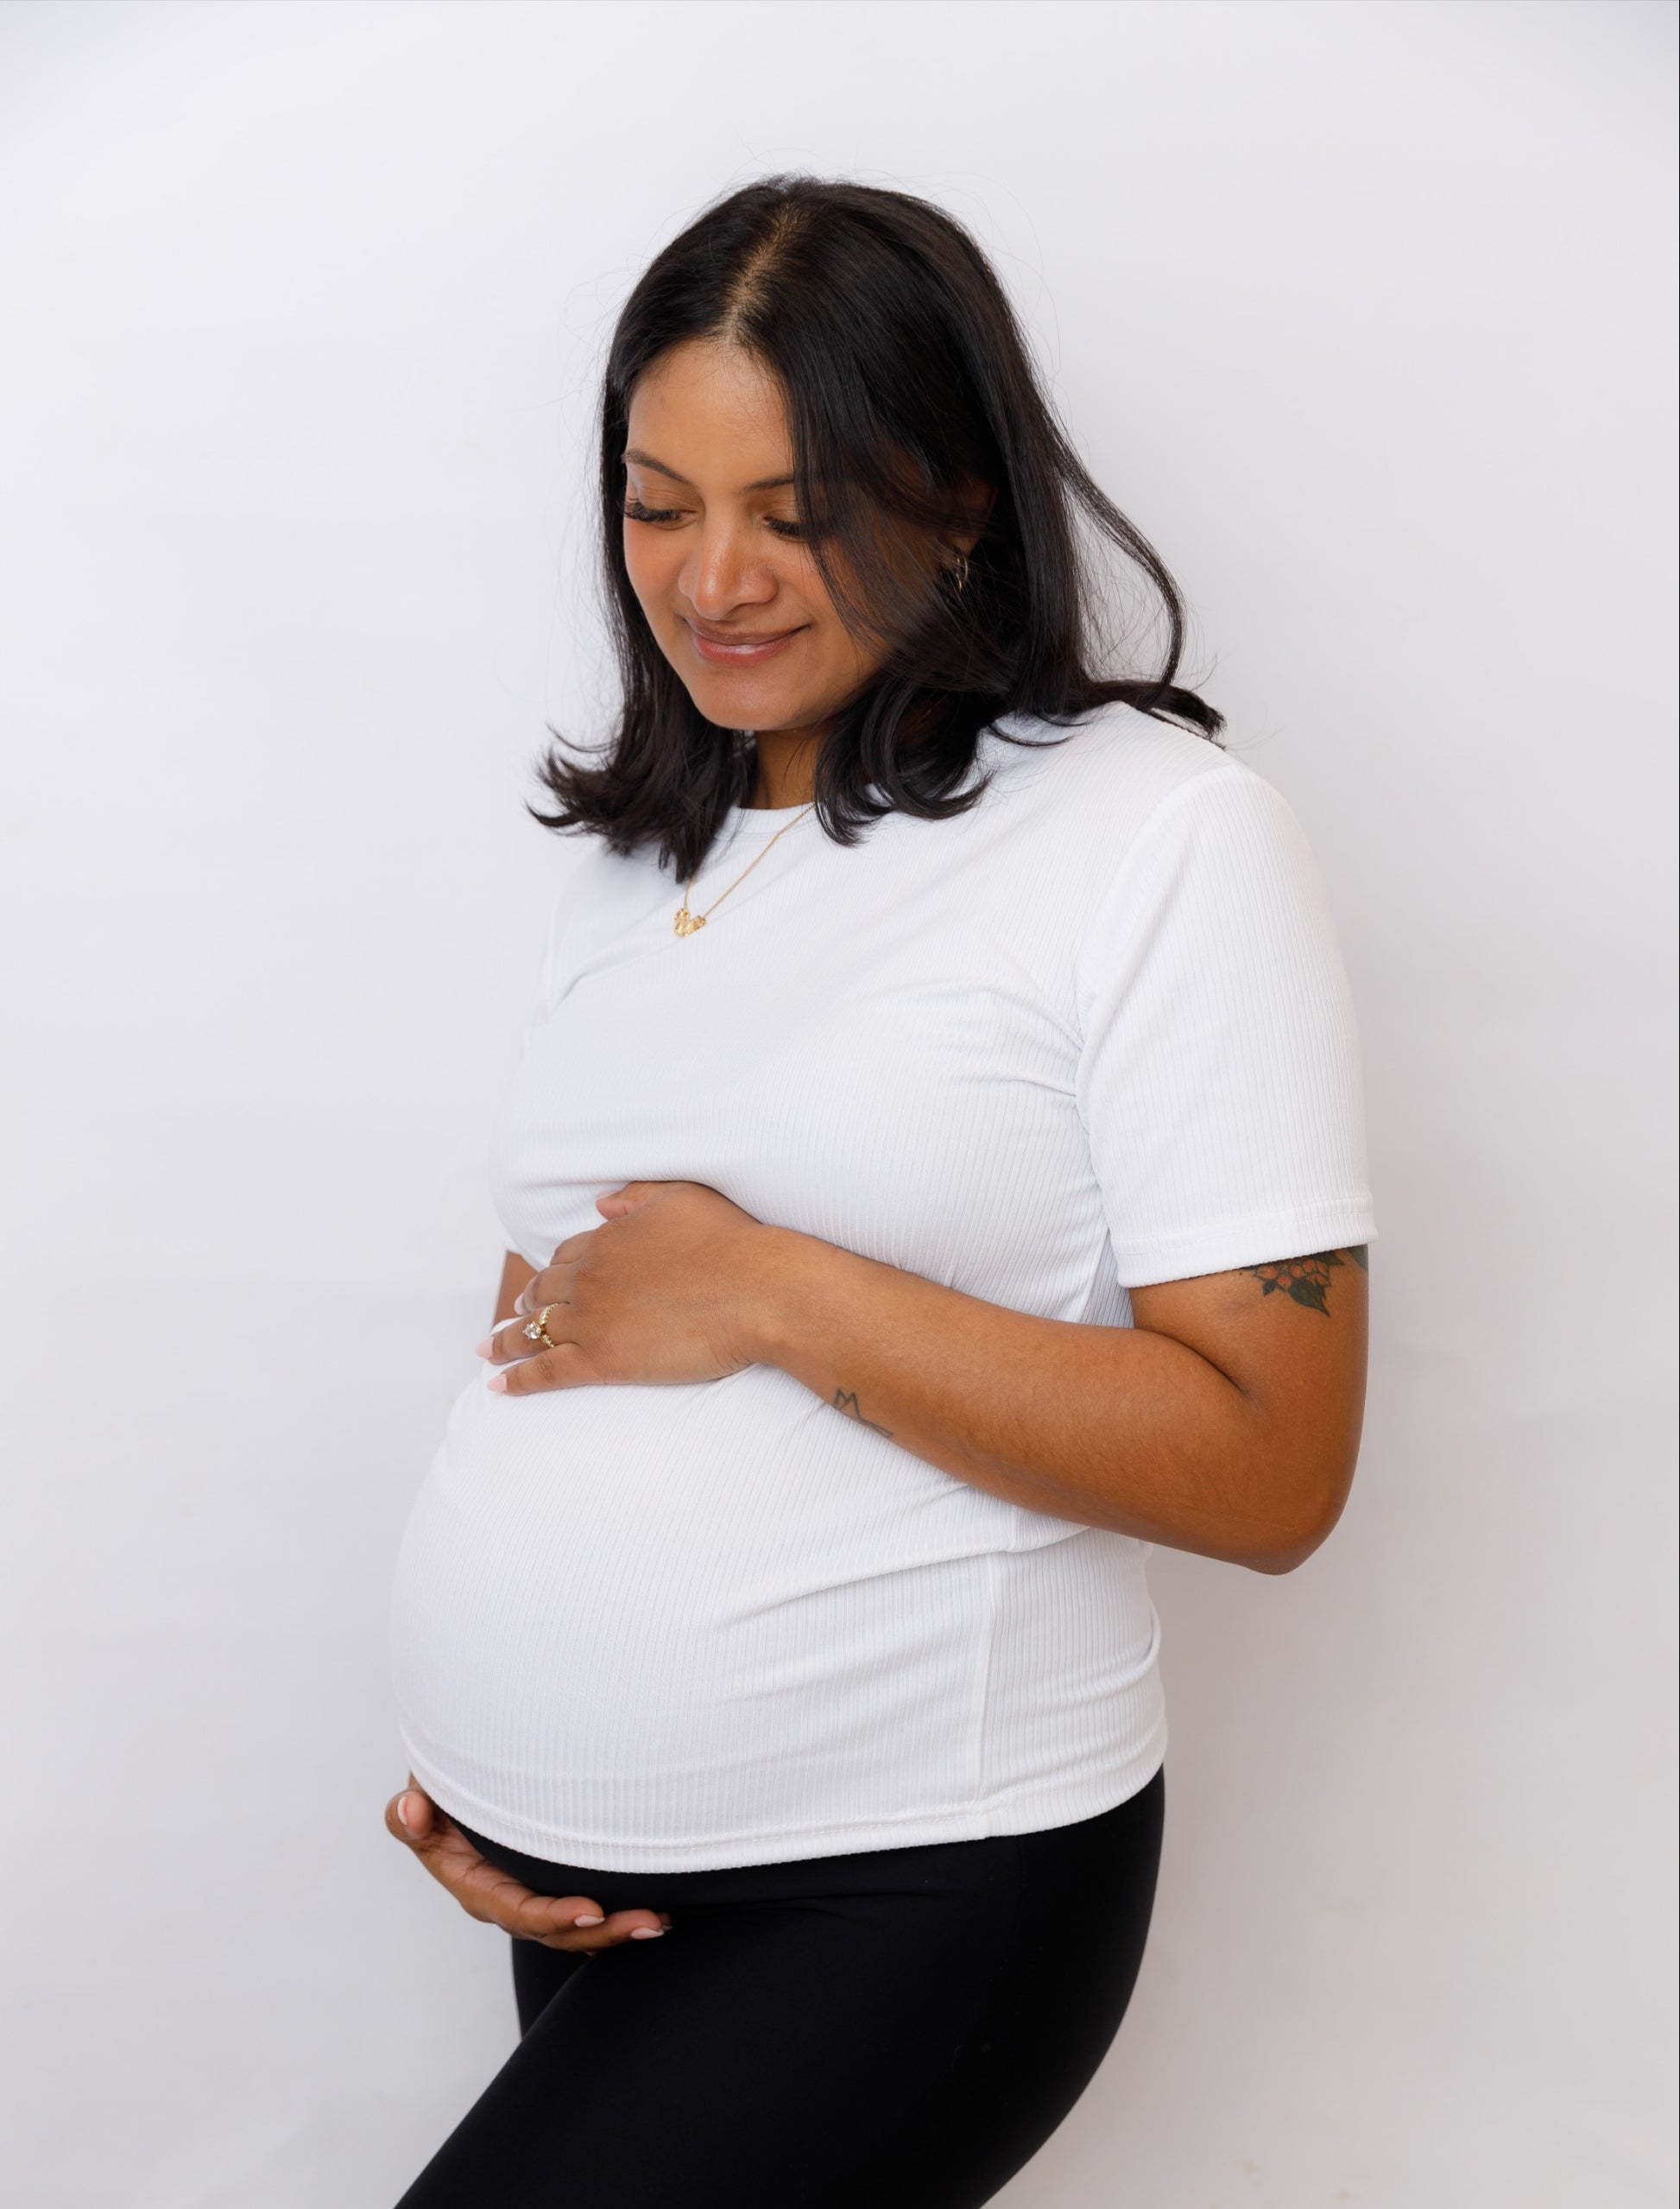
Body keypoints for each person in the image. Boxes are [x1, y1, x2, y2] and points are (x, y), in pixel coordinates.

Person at [383, 175, 1373, 2208]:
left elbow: (1276, 1464)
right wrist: (498, 1754)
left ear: (959, 496)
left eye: (798, 508)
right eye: (659, 505)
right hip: (582, 1882)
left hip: (910, 1871)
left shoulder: (1159, 839)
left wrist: (772, 1290)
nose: (713, 577)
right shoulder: (639, 865)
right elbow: (565, 1326)